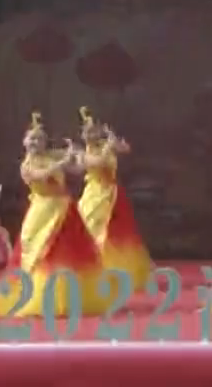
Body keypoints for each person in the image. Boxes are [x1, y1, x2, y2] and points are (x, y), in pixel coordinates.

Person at [0, 113, 109, 318]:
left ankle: (69, 297)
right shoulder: (27, 166)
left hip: (65, 211)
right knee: (40, 253)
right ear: (24, 141)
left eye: (39, 139)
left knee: (67, 254)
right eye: (31, 138)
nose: (35, 142)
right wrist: (62, 160)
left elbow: (76, 170)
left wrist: (76, 155)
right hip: (43, 213)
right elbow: (41, 175)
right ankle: (37, 298)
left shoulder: (51, 158)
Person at [76, 106, 154, 289]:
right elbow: (97, 162)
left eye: (94, 131)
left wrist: (113, 140)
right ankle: (91, 269)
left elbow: (125, 148)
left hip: (113, 194)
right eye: (87, 132)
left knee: (116, 233)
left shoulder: (107, 146)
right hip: (95, 194)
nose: (90, 135)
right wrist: (109, 146)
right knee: (92, 226)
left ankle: (115, 269)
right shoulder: (83, 153)